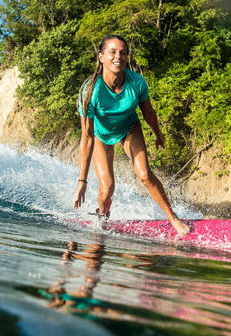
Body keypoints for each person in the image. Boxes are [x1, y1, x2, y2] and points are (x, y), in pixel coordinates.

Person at [72, 34, 190, 236]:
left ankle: (173, 218)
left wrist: (158, 134)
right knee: (107, 188)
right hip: (101, 135)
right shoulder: (90, 90)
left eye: (123, 52)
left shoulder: (136, 82)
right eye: (113, 52)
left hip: (128, 128)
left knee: (144, 175)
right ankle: (102, 215)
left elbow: (148, 112)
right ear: (101, 57)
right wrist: (82, 182)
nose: (118, 56)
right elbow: (87, 137)